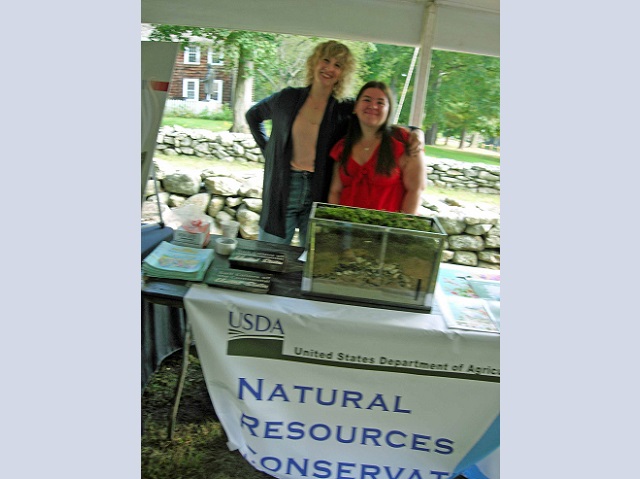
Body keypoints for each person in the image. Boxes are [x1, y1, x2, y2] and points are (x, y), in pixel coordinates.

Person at [246, 40, 423, 246]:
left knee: (313, 253)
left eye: (338, 65)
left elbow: (377, 120)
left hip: (320, 187)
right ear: (315, 63)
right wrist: (269, 151)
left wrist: (415, 131)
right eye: (326, 60)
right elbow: (253, 115)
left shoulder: (344, 109)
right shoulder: (287, 98)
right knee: (270, 250)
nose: (330, 68)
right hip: (284, 184)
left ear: (343, 73)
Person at [328, 81, 426, 215]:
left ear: (388, 110)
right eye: (366, 100)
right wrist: (333, 224)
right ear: (355, 107)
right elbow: (335, 191)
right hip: (347, 229)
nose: (373, 106)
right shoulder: (343, 146)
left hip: (387, 231)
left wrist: (400, 231)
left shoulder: (404, 141)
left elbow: (416, 190)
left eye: (380, 102)